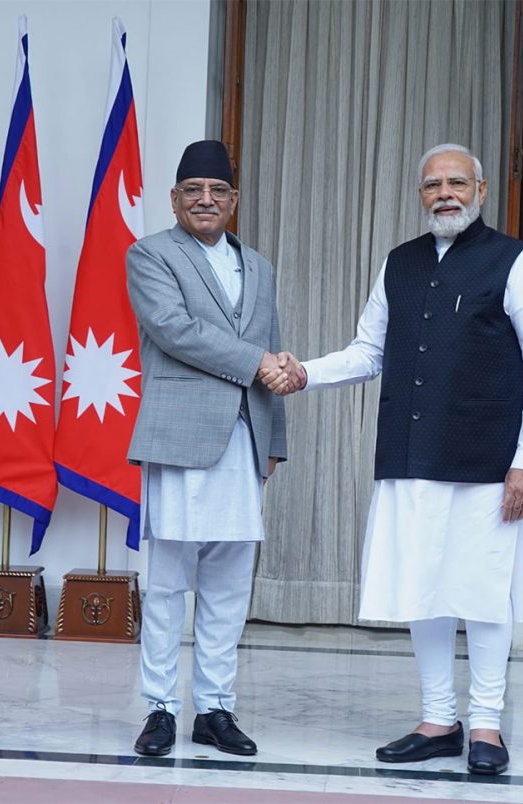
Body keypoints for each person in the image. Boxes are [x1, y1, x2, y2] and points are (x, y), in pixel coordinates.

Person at [263, 143, 523, 776]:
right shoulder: (398, 263)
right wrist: (304, 373)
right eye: (433, 185)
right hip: (410, 452)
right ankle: (438, 721)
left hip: (489, 460)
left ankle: (486, 725)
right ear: (421, 194)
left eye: (458, 182)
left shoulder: (515, 260)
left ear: (481, 191)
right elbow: (367, 352)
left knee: (483, 593)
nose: (445, 194)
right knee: (422, 587)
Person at [127, 140, 298, 758]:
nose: (206, 199)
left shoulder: (259, 265)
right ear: (175, 199)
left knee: (228, 584)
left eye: (217, 190)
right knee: (168, 582)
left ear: (233, 199)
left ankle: (215, 708)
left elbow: (272, 343)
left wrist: (274, 439)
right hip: (179, 436)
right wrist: (258, 362)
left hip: (244, 442)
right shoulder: (151, 254)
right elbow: (175, 331)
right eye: (194, 190)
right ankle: (159, 708)